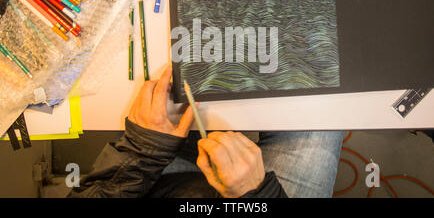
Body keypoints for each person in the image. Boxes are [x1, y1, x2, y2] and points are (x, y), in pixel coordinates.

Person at [69, 65, 343, 198]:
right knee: (322, 94)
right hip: (260, 197)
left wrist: (145, 149)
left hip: (155, 185)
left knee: (180, 70)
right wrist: (255, 194)